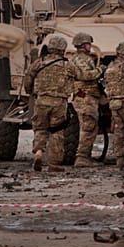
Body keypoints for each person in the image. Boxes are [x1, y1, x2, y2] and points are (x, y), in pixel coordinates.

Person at [23, 34, 75, 172]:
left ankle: (39, 152)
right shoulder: (68, 65)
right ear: (63, 49)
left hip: (41, 101)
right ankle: (54, 163)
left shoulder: (39, 62)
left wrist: (30, 92)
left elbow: (28, 78)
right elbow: (79, 76)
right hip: (59, 102)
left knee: (40, 129)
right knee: (57, 131)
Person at [70, 32, 104, 168]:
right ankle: (82, 158)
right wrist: (99, 70)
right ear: (83, 45)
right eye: (88, 44)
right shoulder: (82, 59)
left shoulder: (77, 58)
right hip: (85, 97)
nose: (90, 46)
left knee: (89, 126)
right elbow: (85, 75)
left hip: (84, 96)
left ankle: (85, 157)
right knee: (88, 127)